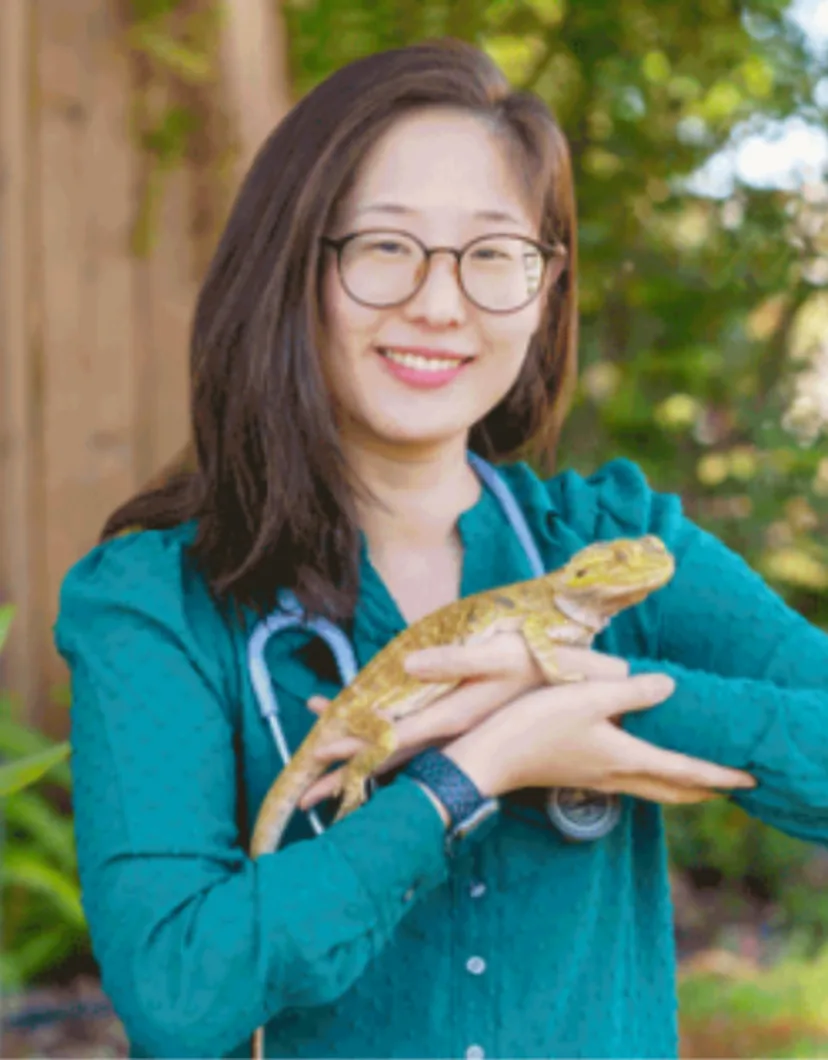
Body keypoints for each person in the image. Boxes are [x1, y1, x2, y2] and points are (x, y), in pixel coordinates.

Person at [53, 39, 828, 1060]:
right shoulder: (156, 599)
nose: (439, 300)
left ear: (545, 288)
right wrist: (477, 768)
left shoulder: (607, 543)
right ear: (295, 266)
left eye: (495, 253)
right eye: (386, 245)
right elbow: (180, 989)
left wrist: (593, 687)